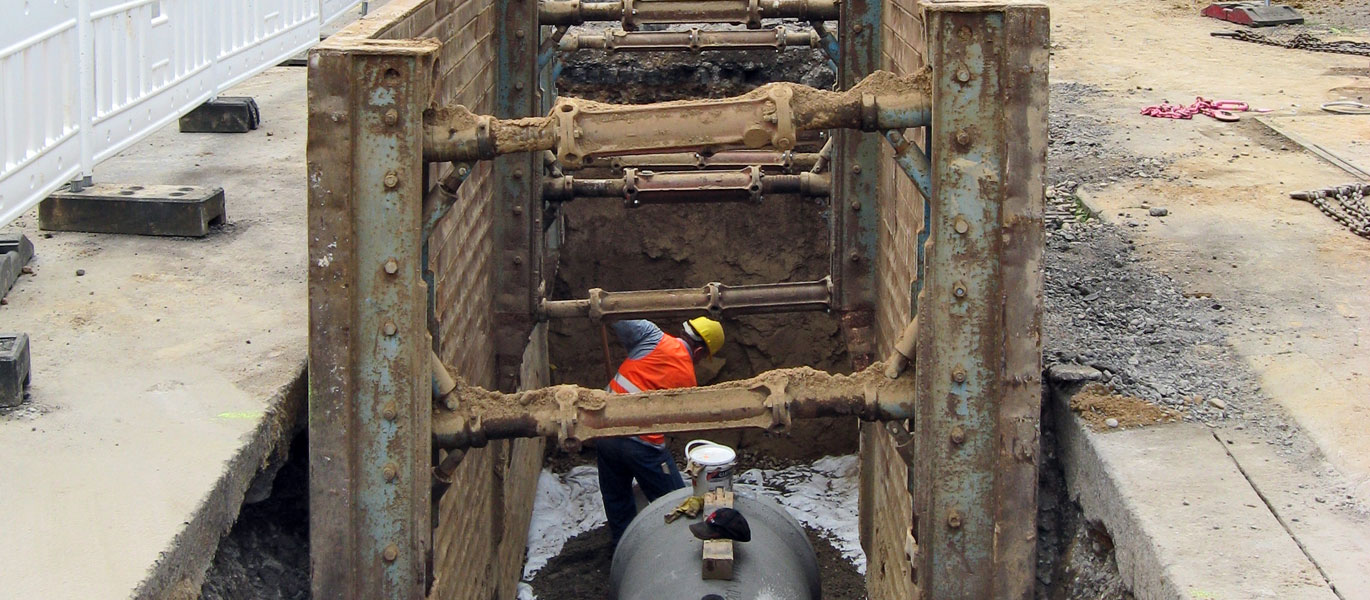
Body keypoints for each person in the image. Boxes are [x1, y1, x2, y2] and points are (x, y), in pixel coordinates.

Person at [597, 316, 724, 545]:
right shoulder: (688, 381)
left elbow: (615, 315)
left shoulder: (650, 336)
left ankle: (623, 551)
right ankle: (679, 547)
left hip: (604, 432)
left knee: (616, 499)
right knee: (674, 500)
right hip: (642, 447)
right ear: (698, 352)